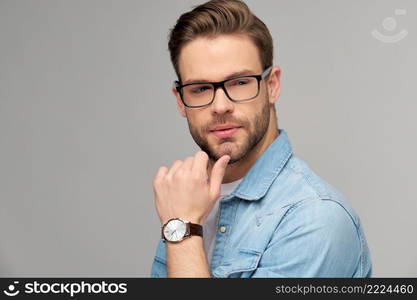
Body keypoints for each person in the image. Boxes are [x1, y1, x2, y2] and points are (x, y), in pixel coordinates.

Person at [150, 0, 372, 278]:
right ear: (181, 101)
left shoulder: (315, 217)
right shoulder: (186, 200)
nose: (220, 106)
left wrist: (181, 229)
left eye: (240, 83)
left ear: (272, 85)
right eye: (201, 88)